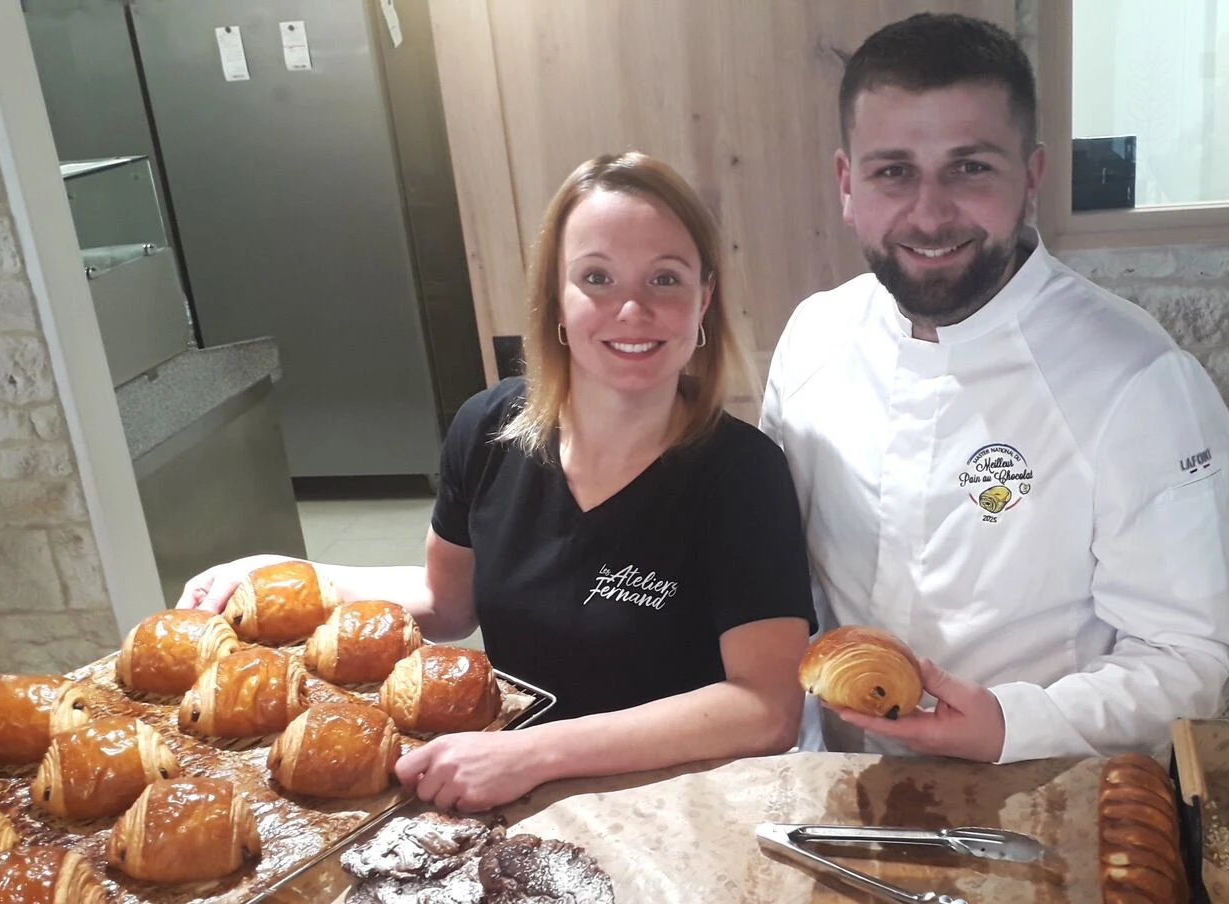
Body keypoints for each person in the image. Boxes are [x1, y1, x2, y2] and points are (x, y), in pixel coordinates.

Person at [181, 151, 817, 811]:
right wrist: (288, 575)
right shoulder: (489, 428)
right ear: (556, 301)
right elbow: (445, 602)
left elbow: (764, 708)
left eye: (666, 279)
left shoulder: (744, 474)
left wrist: (534, 753)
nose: (631, 309)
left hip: (676, 808)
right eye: (596, 277)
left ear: (704, 299)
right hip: (510, 796)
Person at [762, 12, 1229, 764]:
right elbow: (791, 587)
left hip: (1040, 803)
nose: (930, 211)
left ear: (1032, 177)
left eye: (970, 167)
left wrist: (1011, 724)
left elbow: (1190, 658)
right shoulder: (813, 339)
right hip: (836, 789)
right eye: (894, 171)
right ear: (848, 184)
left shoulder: (1139, 380)